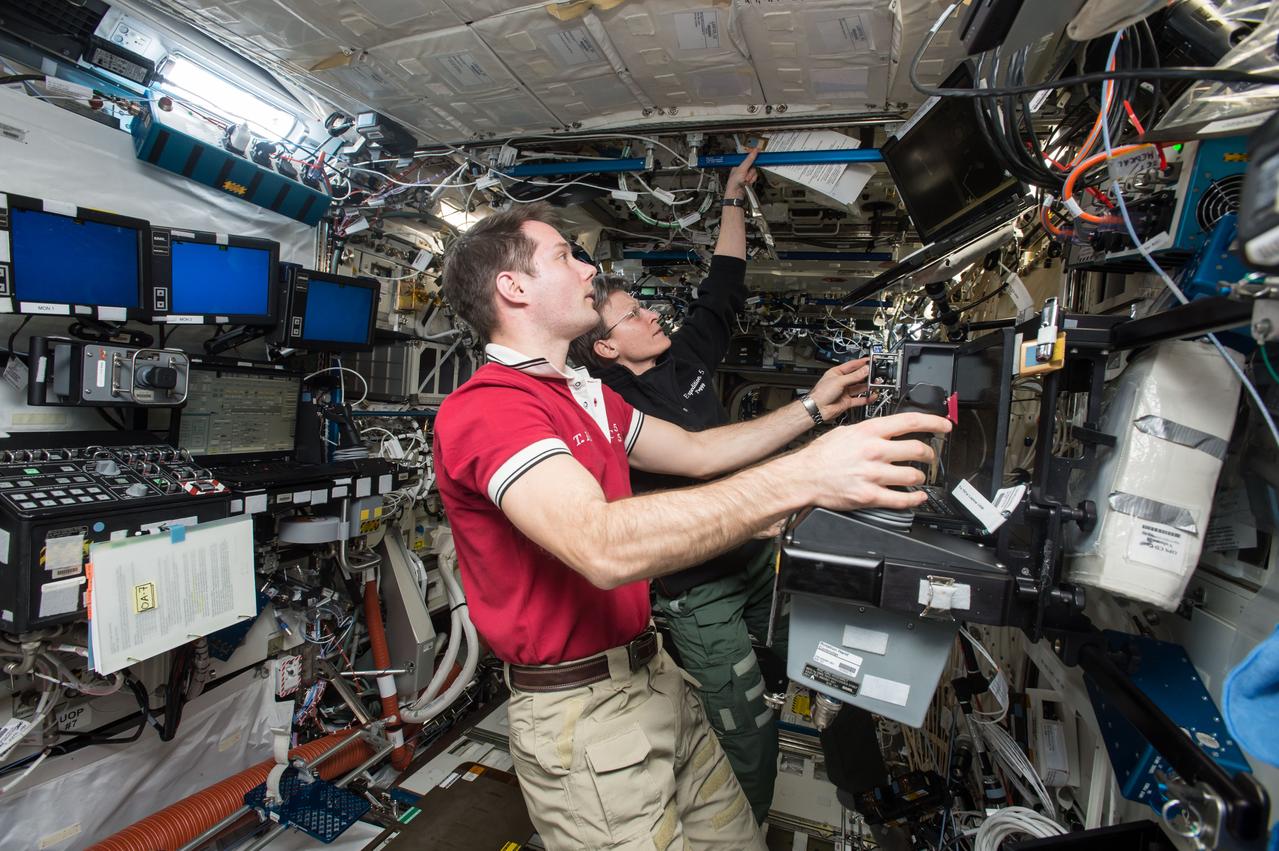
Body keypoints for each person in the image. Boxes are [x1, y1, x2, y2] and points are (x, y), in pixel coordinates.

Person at [432, 201, 949, 850]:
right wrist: (804, 475)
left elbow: (699, 453)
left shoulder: (587, 396)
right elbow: (600, 544)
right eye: (564, 255)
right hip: (580, 714)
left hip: (651, 674)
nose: (588, 266)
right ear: (514, 287)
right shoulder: (490, 408)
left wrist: (814, 408)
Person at [568, 149, 845, 823]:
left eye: (646, 307)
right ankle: (744, 828)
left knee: (792, 652)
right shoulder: (602, 409)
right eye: (635, 316)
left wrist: (730, 198)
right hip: (698, 589)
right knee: (747, 727)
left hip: (752, 558)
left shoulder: (683, 357)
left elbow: (723, 284)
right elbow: (641, 506)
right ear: (605, 348)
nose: (653, 316)